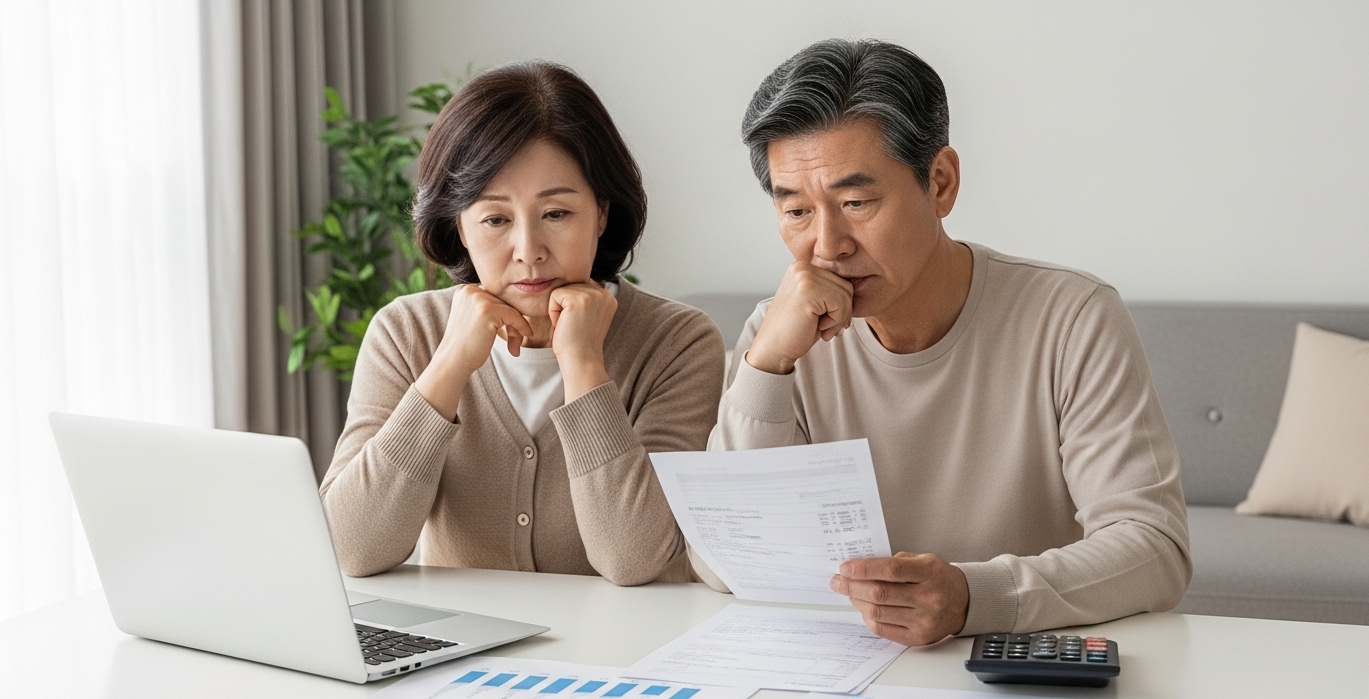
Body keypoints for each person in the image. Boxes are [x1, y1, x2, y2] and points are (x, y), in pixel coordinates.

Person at [701, 39, 1191, 645]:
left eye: (856, 202)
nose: (828, 245)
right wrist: (765, 366)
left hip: (1019, 677)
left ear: (941, 182)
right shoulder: (779, 335)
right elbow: (727, 564)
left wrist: (973, 598)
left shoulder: (1072, 317)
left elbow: (1153, 549)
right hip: (845, 675)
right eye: (797, 211)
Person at [322, 61, 724, 585]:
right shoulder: (406, 332)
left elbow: (635, 559)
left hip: (627, 659)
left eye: (556, 213)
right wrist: (449, 366)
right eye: (495, 219)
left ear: (602, 214)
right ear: (460, 228)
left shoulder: (678, 343)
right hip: (461, 657)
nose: (528, 252)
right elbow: (349, 549)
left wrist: (583, 365)